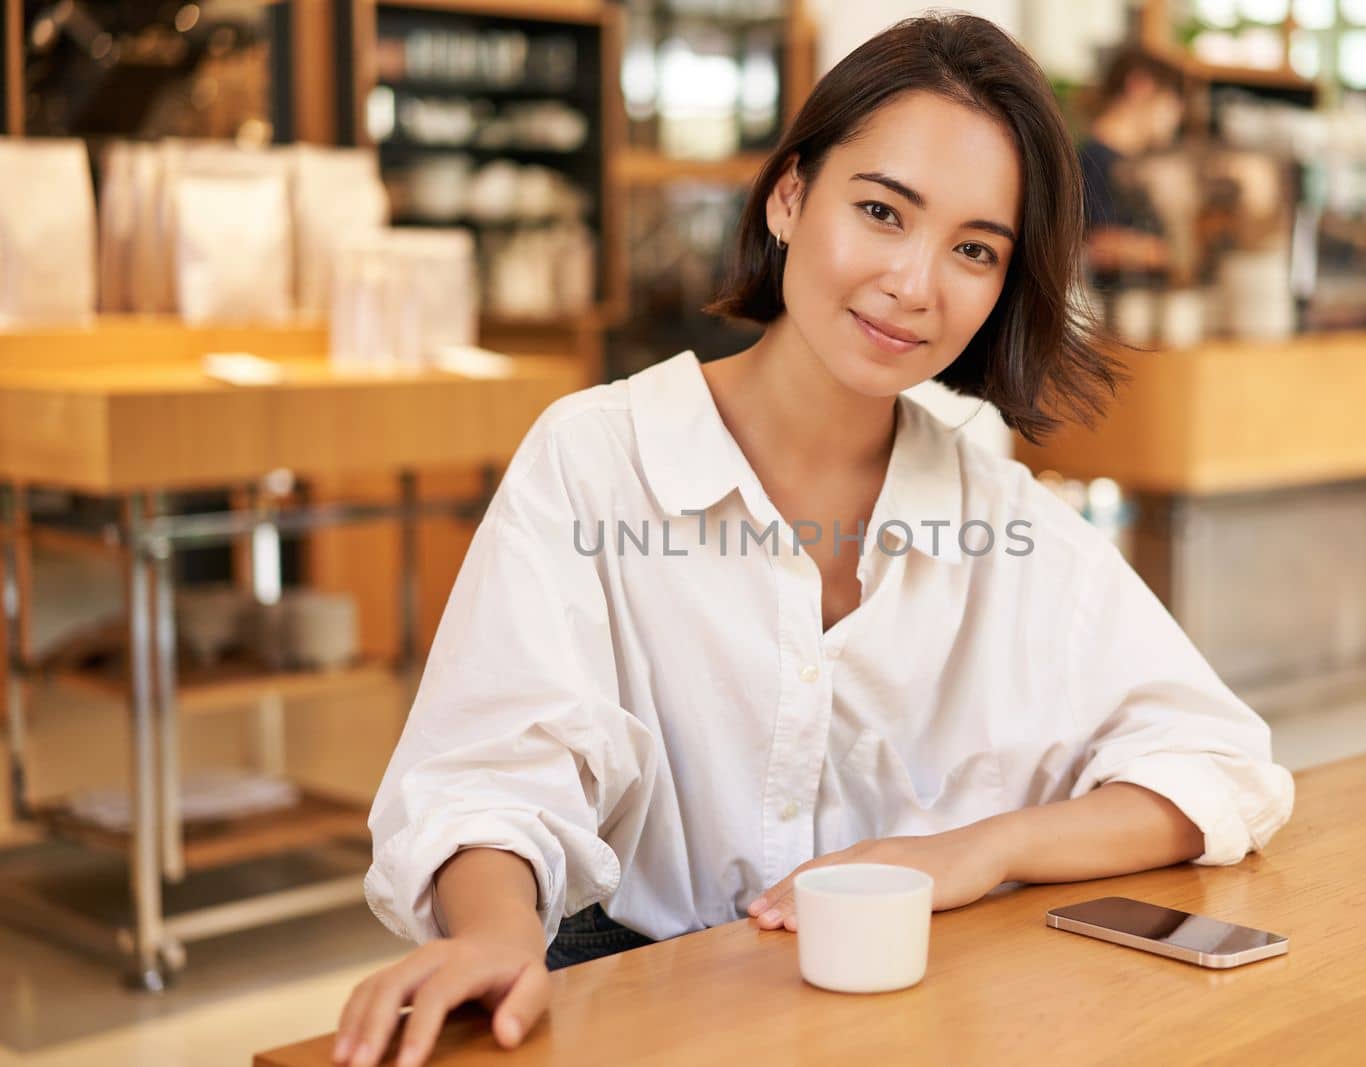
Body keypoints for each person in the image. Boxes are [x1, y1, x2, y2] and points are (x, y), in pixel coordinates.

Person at [334, 15, 1294, 1067]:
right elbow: (488, 772)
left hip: (918, 1018)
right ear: (789, 196)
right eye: (881, 211)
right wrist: (495, 932)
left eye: (975, 248)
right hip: (635, 1009)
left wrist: (971, 852)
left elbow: (1221, 766)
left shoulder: (1000, 513)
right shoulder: (597, 458)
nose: (915, 283)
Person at [1077, 48, 1186, 282]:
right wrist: (1170, 252)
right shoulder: (1095, 160)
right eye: (1172, 100)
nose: (1177, 114)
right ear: (1140, 85)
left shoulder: (1130, 164)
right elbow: (1096, 245)